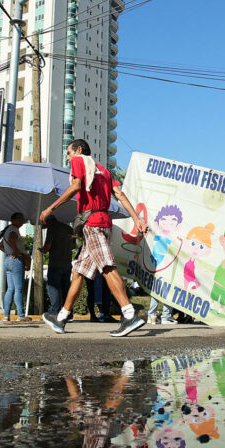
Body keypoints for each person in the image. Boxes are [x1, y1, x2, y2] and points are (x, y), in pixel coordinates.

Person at [39, 139, 148, 337]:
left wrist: (50, 208)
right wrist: (136, 219)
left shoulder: (79, 161)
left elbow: (75, 187)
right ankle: (61, 317)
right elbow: (120, 194)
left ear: (79, 150)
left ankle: (129, 313)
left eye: (69, 153)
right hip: (104, 222)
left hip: (93, 224)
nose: (68, 157)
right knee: (79, 272)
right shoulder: (103, 171)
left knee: (106, 266)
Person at [40, 216, 74, 316]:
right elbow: (73, 246)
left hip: (55, 263)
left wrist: (42, 250)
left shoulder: (52, 228)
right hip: (67, 262)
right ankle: (68, 313)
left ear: (48, 222)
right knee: (66, 289)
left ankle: (54, 312)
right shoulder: (69, 229)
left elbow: (47, 246)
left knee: (53, 288)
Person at [0, 212, 29, 323]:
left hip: (7, 260)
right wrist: (16, 251)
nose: (22, 221)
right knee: (18, 289)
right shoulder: (13, 230)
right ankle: (21, 315)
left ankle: (6, 315)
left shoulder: (8, 229)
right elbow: (12, 239)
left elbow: (0, 245)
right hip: (16, 260)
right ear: (13, 220)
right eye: (20, 219)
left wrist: (9, 251)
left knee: (10, 289)